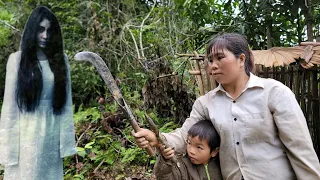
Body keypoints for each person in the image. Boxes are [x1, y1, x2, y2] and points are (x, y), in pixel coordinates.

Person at [133, 33, 320, 180]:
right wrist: (157, 138)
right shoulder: (205, 103)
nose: (212, 66)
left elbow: (300, 149)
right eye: (210, 60)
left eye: (220, 58)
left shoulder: (274, 93)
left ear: (241, 59)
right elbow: (184, 136)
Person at [0, 6, 76, 180]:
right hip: (24, 135)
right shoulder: (17, 60)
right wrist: (7, 150)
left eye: (49, 31)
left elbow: (65, 105)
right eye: (41, 29)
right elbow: (9, 108)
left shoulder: (61, 61)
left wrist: (66, 143)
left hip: (51, 134)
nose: (45, 36)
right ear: (32, 30)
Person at [154, 120, 222, 180]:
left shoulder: (221, 167)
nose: (191, 151)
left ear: (214, 151)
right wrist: (165, 160)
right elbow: (164, 177)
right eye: (189, 143)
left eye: (199, 147)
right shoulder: (181, 166)